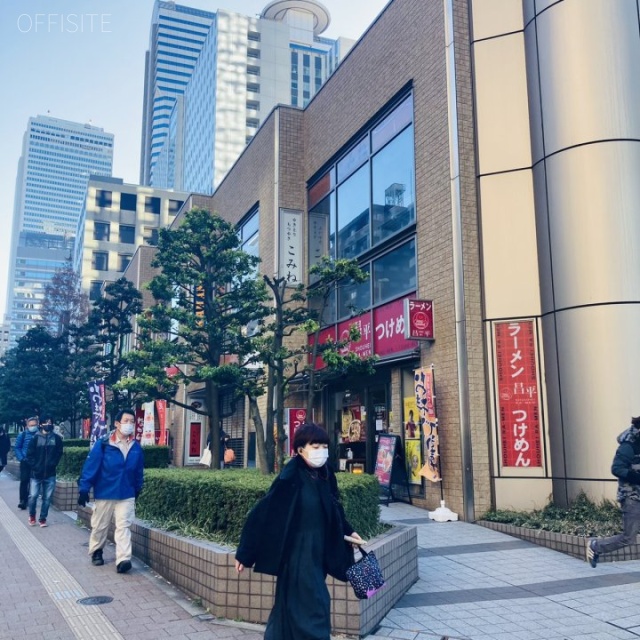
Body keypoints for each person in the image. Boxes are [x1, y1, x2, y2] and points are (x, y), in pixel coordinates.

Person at [235, 423, 364, 640]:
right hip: (297, 553)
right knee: (315, 602)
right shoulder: (291, 477)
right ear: (300, 449)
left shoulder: (325, 474)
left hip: (318, 550)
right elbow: (265, 512)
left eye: (324, 446)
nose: (321, 451)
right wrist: (246, 553)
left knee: (291, 603)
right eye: (315, 446)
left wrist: (350, 531)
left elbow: (334, 507)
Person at [77, 409, 144, 574]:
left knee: (124, 526)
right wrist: (84, 488)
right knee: (100, 525)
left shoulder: (135, 447)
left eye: (132, 421)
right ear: (117, 423)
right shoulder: (104, 443)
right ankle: (97, 550)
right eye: (126, 420)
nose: (129, 424)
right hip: (105, 491)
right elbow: (91, 466)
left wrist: (138, 488)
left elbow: (138, 471)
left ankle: (123, 559)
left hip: (126, 493)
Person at [587, 415, 640, 568]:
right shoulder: (629, 445)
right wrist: (637, 478)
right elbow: (616, 468)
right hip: (632, 496)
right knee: (628, 538)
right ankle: (596, 546)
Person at [25, 415, 63, 527]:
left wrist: (53, 464)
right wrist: (35, 466)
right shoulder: (35, 438)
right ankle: (32, 515)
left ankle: (43, 518)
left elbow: (59, 453)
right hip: (36, 473)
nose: (48, 425)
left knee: (47, 498)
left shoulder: (56, 438)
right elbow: (29, 455)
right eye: (46, 423)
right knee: (33, 496)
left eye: (50, 422)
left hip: (50, 473)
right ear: (41, 424)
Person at [14, 417, 39, 509]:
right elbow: (17, 447)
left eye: (34, 425)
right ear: (27, 426)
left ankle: (32, 500)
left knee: (36, 481)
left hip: (37, 462)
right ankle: (23, 500)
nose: (33, 427)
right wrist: (21, 458)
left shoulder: (40, 434)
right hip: (25, 461)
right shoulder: (23, 435)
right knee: (24, 481)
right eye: (31, 425)